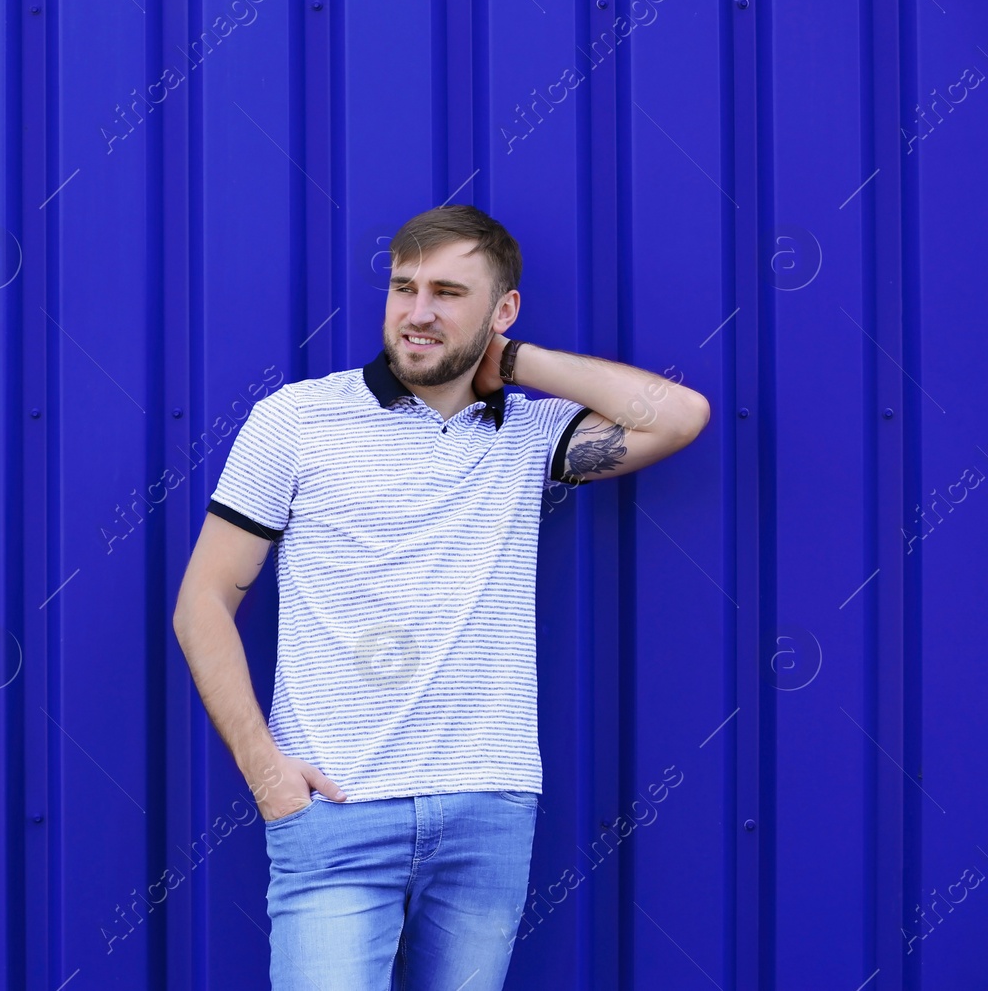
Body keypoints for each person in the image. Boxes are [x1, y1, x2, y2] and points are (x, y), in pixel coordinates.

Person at [171, 205, 709, 989]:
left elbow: (680, 416)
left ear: (503, 308)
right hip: (335, 811)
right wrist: (266, 773)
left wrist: (515, 362)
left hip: (487, 813)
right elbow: (203, 603)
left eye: (449, 292)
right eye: (403, 286)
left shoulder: (526, 434)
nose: (417, 312)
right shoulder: (295, 421)